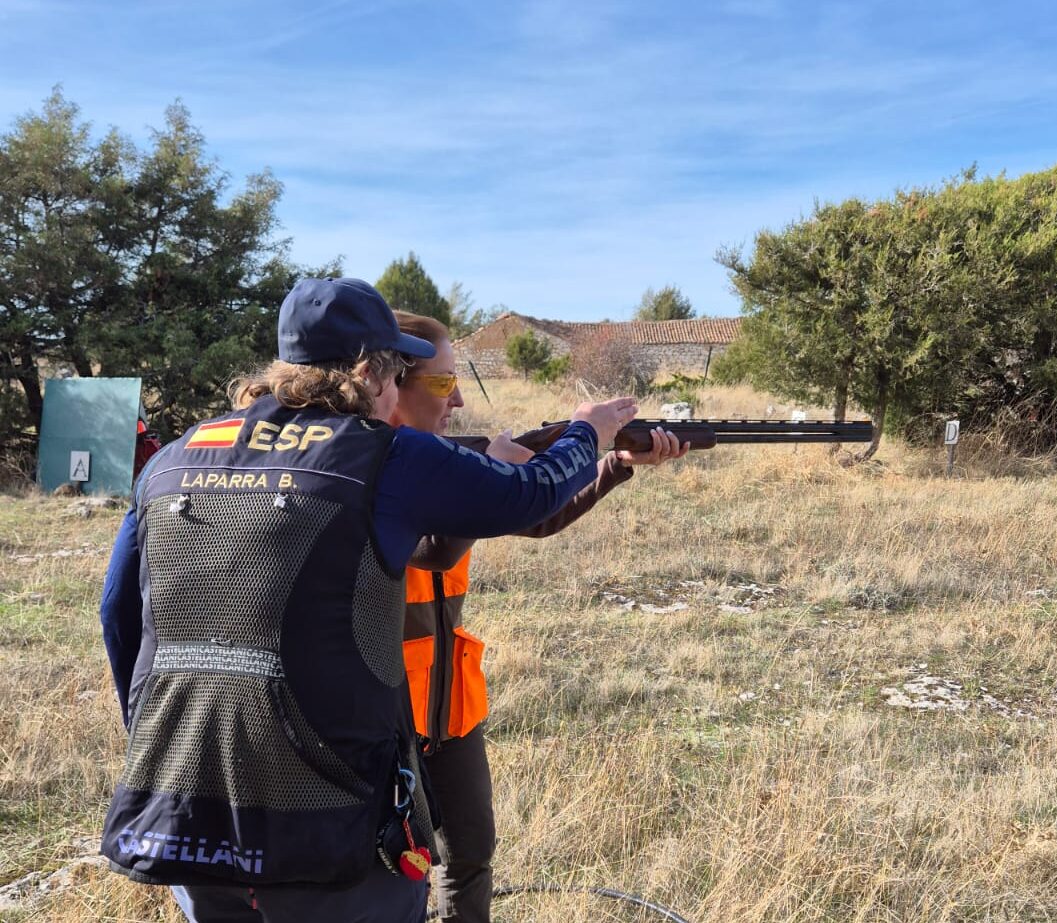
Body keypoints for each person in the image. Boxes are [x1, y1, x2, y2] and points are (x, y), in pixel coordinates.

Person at [97, 277, 638, 923]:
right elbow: (530, 492)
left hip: (185, 798)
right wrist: (589, 431)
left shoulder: (179, 454)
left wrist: (160, 733)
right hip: (328, 816)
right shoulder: (382, 454)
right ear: (372, 372)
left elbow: (118, 613)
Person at [390, 311, 687, 923]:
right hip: (385, 713)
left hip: (450, 706)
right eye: (445, 384)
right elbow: (438, 545)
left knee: (470, 855)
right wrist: (520, 467)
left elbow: (535, 516)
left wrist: (616, 465)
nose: (461, 398)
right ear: (390, 385)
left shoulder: (448, 465)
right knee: (397, 870)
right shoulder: (366, 470)